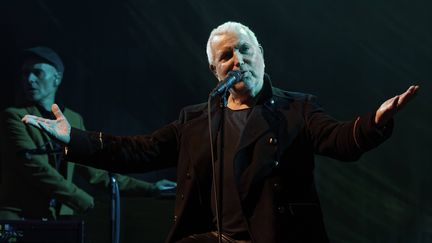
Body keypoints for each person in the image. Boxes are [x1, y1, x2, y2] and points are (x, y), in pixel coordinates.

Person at [22, 22, 419, 243]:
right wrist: (74, 138)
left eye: (245, 50)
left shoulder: (295, 109)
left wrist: (373, 123)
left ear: (261, 54)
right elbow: (138, 151)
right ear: (216, 71)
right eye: (226, 56)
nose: (238, 60)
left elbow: (340, 140)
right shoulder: (197, 120)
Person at [0, 46, 176, 220]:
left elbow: (95, 173)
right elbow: (35, 168)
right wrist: (83, 200)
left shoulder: (72, 119)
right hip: (19, 218)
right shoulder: (14, 117)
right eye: (25, 73)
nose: (29, 79)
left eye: (37, 72)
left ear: (56, 78)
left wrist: (151, 188)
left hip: (55, 220)